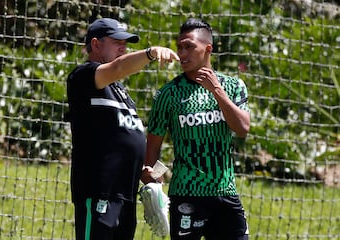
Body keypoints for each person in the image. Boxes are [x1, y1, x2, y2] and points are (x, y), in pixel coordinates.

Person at [66, 18, 179, 240]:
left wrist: (146, 172)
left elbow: (122, 139)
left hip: (125, 197)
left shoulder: (121, 92)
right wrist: (151, 52)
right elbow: (117, 67)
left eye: (125, 43)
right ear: (96, 44)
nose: (123, 48)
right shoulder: (84, 76)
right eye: (117, 42)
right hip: (99, 193)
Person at [141, 18, 250, 240]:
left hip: (224, 193)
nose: (182, 53)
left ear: (208, 49)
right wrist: (152, 182)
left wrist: (217, 91)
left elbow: (242, 128)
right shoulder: (168, 94)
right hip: (186, 194)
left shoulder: (233, 86)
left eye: (189, 46)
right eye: (179, 47)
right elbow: (152, 149)